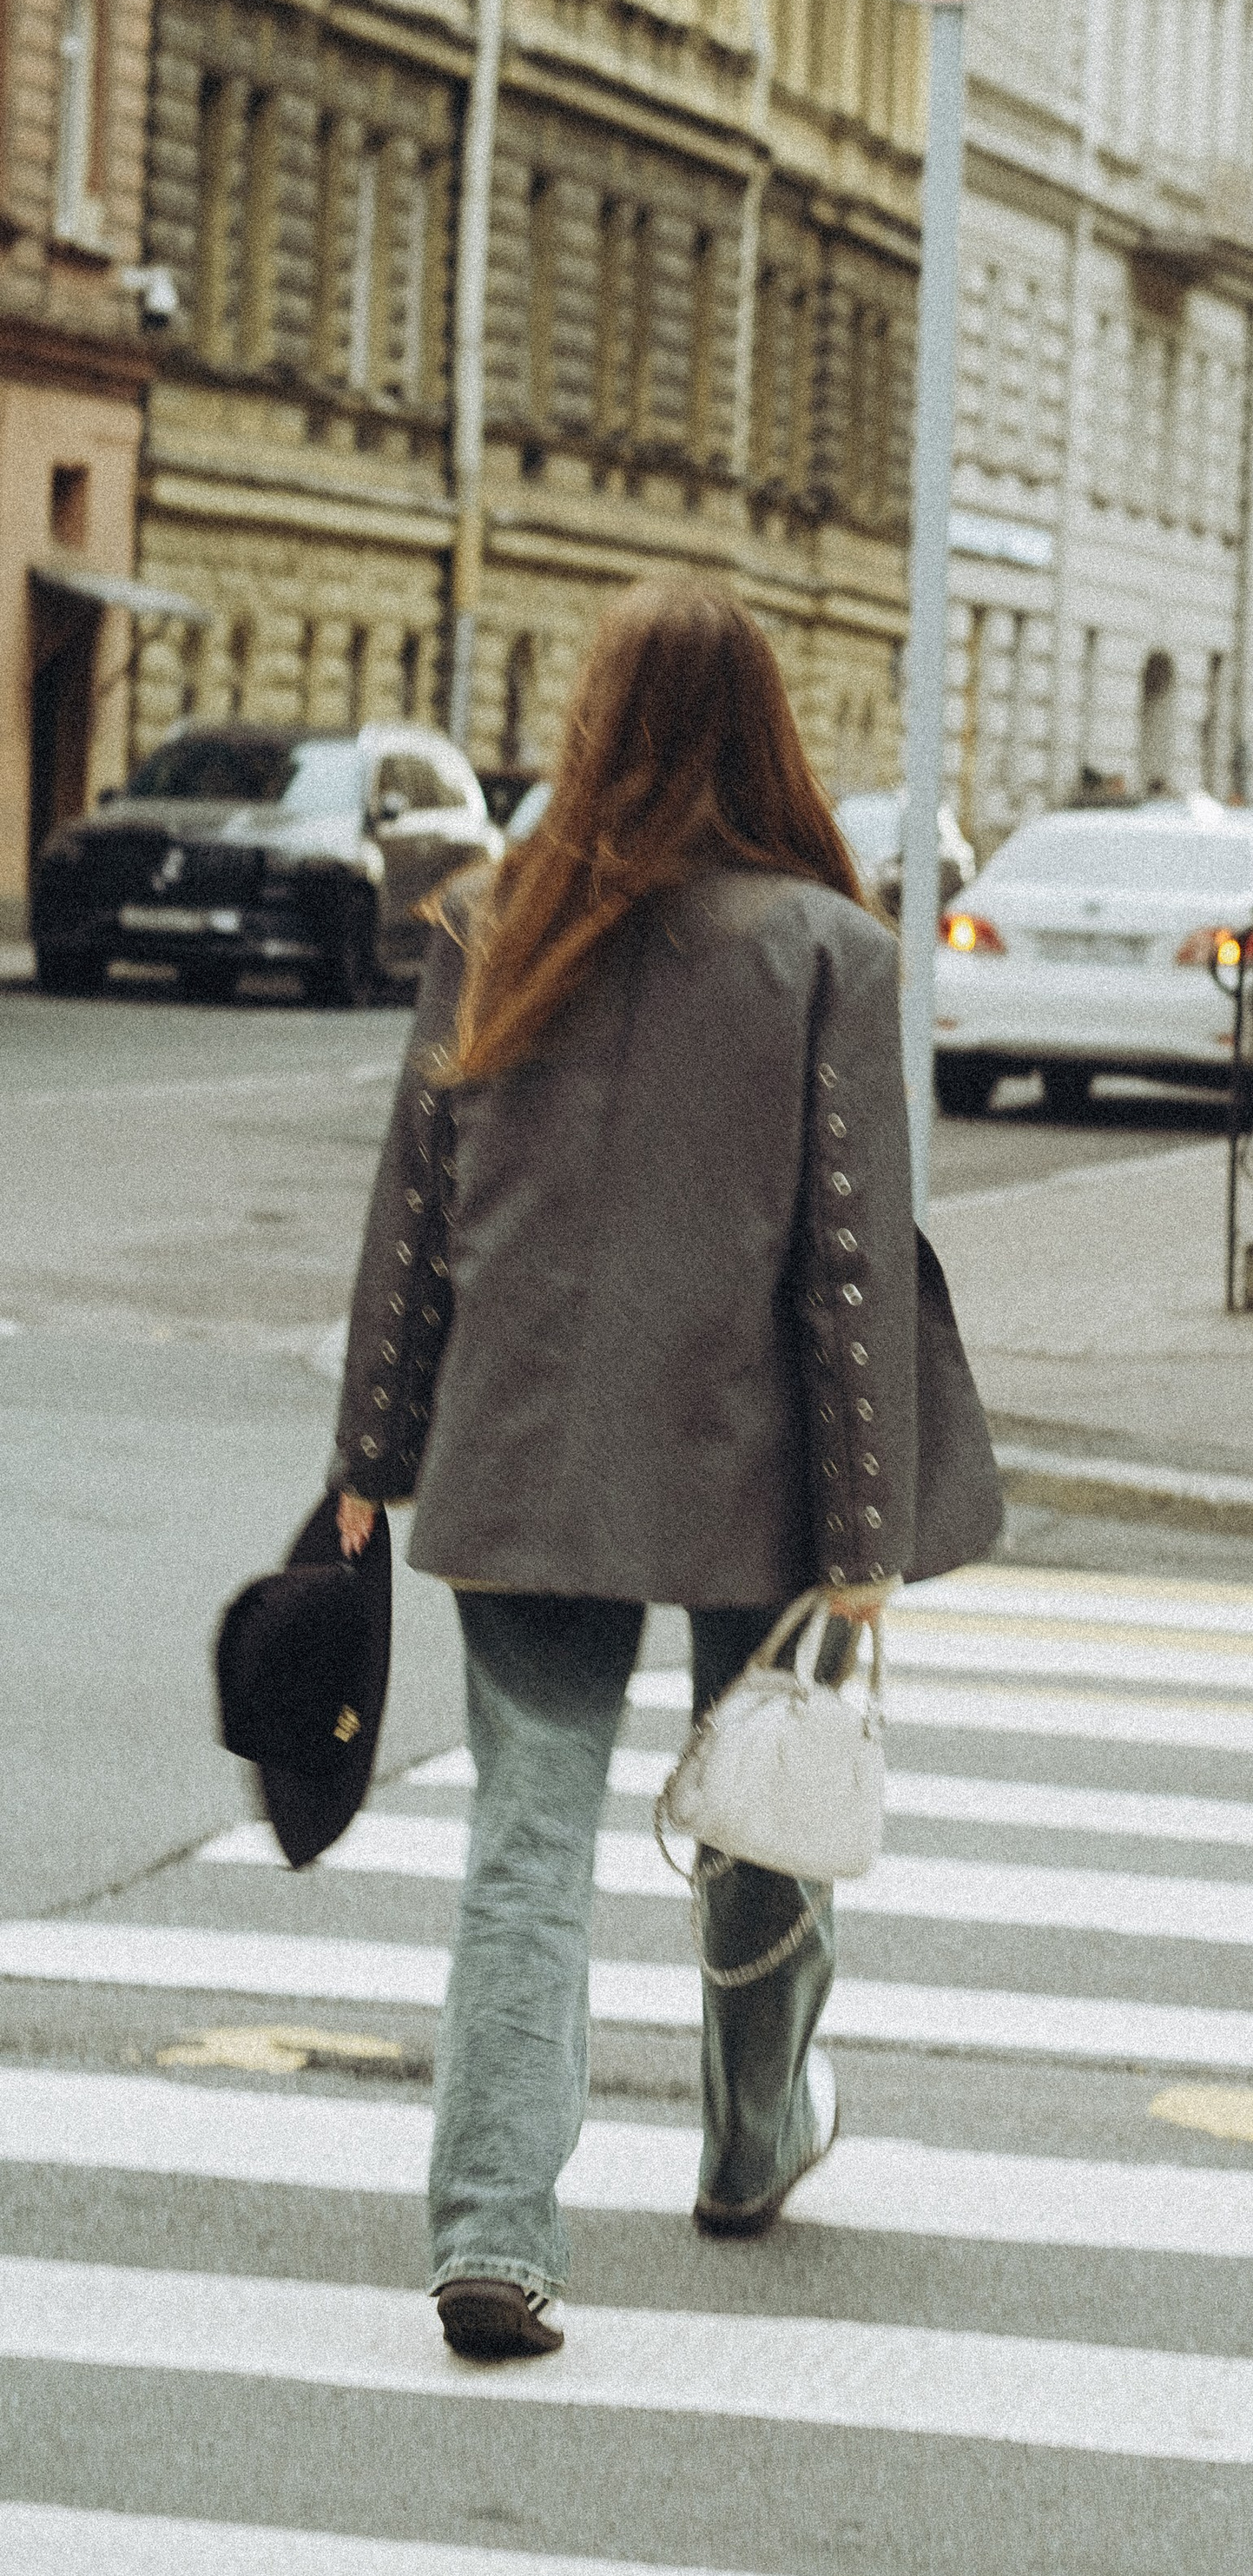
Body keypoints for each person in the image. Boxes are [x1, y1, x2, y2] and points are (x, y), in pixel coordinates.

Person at [325, 575, 1003, 2362]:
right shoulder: (824, 955)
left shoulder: (489, 924)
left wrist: (367, 1461)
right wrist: (864, 1542)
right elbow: (851, 1264)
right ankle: (751, 2141)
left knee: (522, 1842)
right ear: (764, 738)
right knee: (761, 1822)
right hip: (750, 1466)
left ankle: (490, 2227)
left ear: (593, 725)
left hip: (523, 1453)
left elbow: (416, 1226)